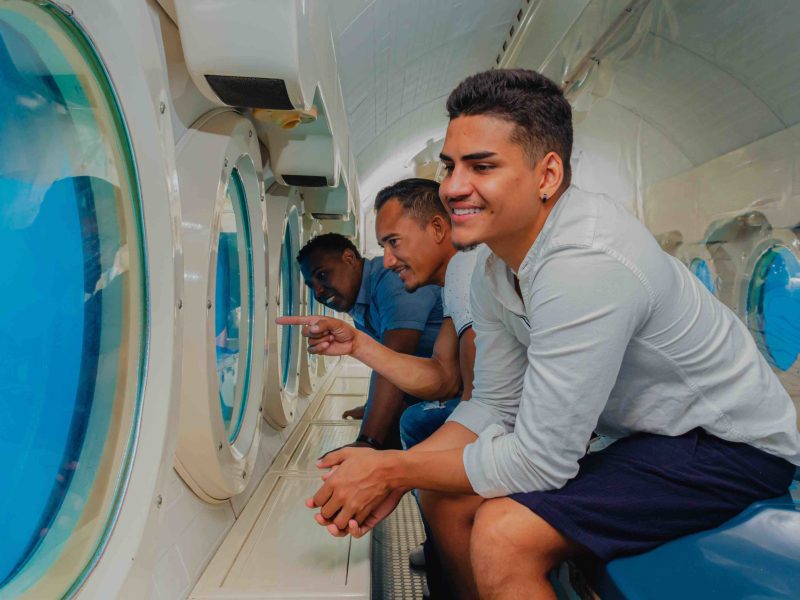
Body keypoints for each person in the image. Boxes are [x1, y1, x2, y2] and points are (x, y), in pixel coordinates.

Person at [294, 68, 800, 600]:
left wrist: (392, 467)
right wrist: (402, 469)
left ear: (547, 175)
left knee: (503, 535)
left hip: (730, 448)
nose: (452, 188)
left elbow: (541, 460)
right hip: (651, 438)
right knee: (447, 497)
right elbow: (495, 402)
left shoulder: (586, 263)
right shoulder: (493, 266)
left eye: (481, 166)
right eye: (450, 166)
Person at [283, 178, 478, 595]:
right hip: (476, 406)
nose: (387, 260)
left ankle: (450, 561)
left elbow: (478, 401)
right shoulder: (455, 284)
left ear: (439, 229)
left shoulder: (470, 274)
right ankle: (445, 561)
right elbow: (442, 376)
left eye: (393, 242)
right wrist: (358, 347)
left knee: (417, 432)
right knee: (415, 425)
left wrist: (380, 454)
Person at [296, 232, 443, 449]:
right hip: (428, 380)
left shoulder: (392, 280)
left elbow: (394, 359)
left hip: (462, 383)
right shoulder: (359, 303)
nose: (318, 290)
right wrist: (370, 407)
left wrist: (367, 441)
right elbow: (383, 361)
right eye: (311, 285)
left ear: (349, 258)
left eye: (323, 275)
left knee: (399, 423)